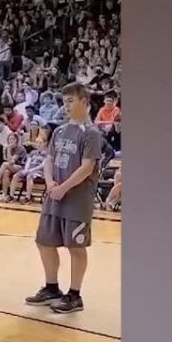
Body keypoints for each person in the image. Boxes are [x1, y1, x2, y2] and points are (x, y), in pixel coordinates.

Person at [25, 83, 104, 315]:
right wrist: (50, 183)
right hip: (54, 196)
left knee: (75, 247)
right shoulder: (59, 131)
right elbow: (49, 158)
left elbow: (87, 167)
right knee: (44, 241)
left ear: (84, 103)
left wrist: (64, 187)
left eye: (70, 101)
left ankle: (74, 294)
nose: (66, 105)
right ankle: (51, 287)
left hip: (77, 200)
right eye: (64, 101)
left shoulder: (91, 133)